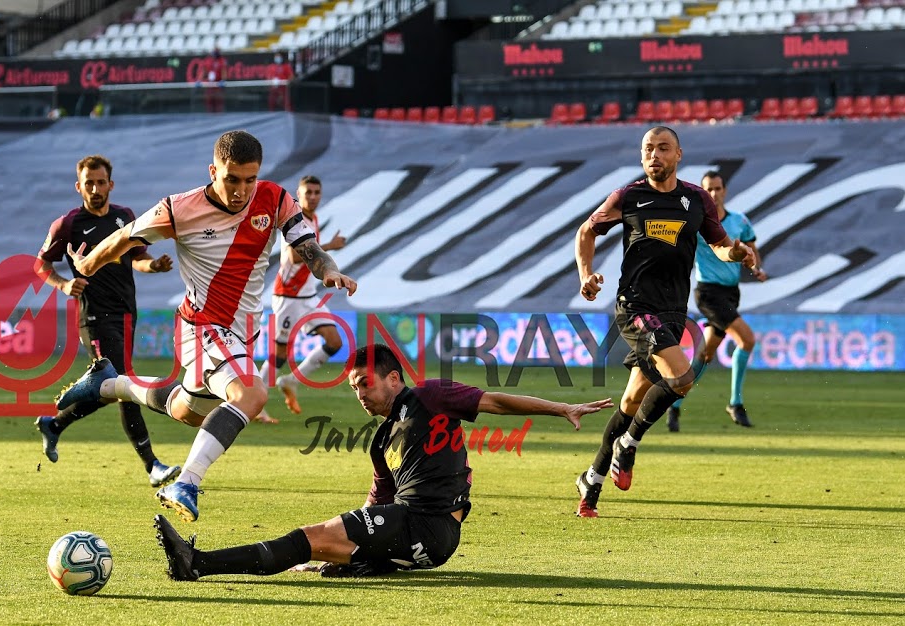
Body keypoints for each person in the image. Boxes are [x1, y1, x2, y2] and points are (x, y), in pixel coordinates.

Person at [53, 130, 358, 522]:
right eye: (232, 179)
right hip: (203, 326)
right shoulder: (180, 209)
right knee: (252, 393)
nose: (241, 190)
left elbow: (308, 247)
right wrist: (87, 264)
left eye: (250, 179)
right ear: (213, 170)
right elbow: (125, 237)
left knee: (188, 412)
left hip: (244, 332)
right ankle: (187, 482)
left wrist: (330, 270)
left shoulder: (275, 198)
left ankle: (109, 383)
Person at [154, 343, 612, 581]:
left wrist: (562, 409)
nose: (359, 393)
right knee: (316, 547)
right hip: (420, 538)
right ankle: (200, 563)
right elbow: (377, 502)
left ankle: (197, 563)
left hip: (429, 525)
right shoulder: (380, 444)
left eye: (365, 383)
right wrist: (348, 542)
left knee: (313, 537)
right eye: (353, 387)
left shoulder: (429, 395)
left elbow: (496, 401)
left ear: (394, 379)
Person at [573, 127, 757, 518]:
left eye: (662, 148)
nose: (654, 155)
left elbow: (721, 246)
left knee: (630, 401)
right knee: (683, 377)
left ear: (678, 154)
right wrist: (585, 273)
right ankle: (630, 444)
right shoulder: (629, 196)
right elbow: (587, 230)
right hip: (635, 306)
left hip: (674, 312)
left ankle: (591, 481)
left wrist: (737, 253)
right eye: (647, 149)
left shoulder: (696, 199)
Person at [34, 155, 179, 489]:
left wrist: (153, 267)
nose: (95, 189)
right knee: (125, 384)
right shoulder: (68, 224)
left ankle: (54, 425)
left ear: (111, 184)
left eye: (101, 182)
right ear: (78, 186)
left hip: (127, 312)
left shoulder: (125, 217)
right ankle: (152, 465)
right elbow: (41, 265)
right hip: (94, 316)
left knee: (113, 388)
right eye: (89, 183)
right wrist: (64, 284)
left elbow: (137, 258)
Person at [666, 171, 769, 432]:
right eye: (708, 189)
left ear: (725, 190)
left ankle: (673, 403)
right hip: (708, 293)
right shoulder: (698, 222)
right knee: (746, 339)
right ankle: (735, 402)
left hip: (731, 293)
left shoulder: (739, 221)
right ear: (702, 192)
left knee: (706, 354)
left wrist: (756, 268)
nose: (713, 194)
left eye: (717, 188)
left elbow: (750, 246)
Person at [253, 175, 347, 424]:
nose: (313, 197)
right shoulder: (294, 219)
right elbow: (293, 258)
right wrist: (329, 246)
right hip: (287, 297)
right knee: (279, 355)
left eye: (317, 192)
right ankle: (253, 405)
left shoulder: (313, 219)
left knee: (335, 341)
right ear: (299, 193)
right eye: (308, 193)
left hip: (307, 296)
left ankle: (290, 381)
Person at [200, 49, 227, 114]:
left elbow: (223, 71)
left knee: (218, 99)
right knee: (209, 99)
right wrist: (199, 80)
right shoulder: (208, 60)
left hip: (218, 83)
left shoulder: (222, 60)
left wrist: (223, 80)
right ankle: (210, 112)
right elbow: (204, 71)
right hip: (210, 83)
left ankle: (219, 112)